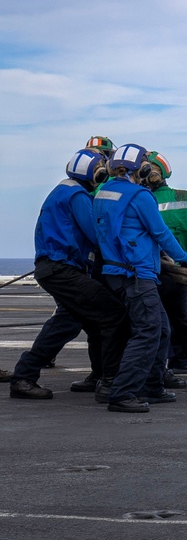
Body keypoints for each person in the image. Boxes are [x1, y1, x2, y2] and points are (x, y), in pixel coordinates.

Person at [93, 143, 187, 412]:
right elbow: (161, 234)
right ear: (144, 168)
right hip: (136, 274)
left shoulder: (104, 193)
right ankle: (123, 393)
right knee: (148, 331)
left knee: (161, 328)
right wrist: (184, 259)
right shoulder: (140, 196)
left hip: (114, 271)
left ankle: (152, 384)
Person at [9, 149, 127, 401]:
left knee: (75, 322)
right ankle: (109, 380)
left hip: (53, 268)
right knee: (112, 313)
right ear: (95, 171)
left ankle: (28, 376)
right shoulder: (77, 195)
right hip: (63, 269)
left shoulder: (61, 191)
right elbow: (96, 236)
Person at [143, 151, 187, 387]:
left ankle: (158, 372)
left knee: (154, 322)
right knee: (183, 320)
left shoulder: (142, 199)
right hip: (182, 268)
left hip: (154, 269)